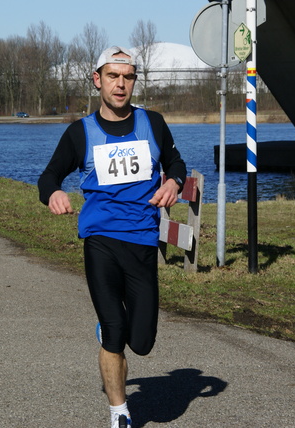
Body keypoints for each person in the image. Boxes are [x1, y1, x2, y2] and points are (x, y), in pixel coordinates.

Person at [38, 46, 187, 428]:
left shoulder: (152, 123)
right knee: (116, 332)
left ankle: (110, 329)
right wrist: (53, 193)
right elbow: (48, 177)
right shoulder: (80, 132)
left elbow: (176, 163)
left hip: (141, 240)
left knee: (142, 343)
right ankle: (119, 411)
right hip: (101, 239)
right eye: (113, 76)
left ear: (134, 80)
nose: (121, 85)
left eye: (128, 77)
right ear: (97, 80)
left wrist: (173, 181)